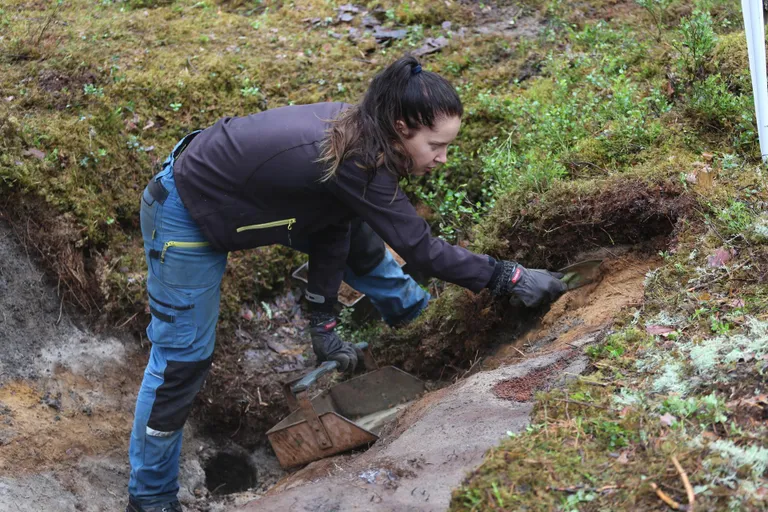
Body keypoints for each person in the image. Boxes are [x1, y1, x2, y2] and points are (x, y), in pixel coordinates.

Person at [126, 55, 566, 512]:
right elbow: (421, 250)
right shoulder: (357, 157)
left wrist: (323, 322)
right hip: (185, 211)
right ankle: (150, 497)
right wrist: (506, 275)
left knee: (361, 243)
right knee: (181, 360)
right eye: (436, 144)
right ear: (402, 126)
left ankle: (421, 329)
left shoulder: (365, 137)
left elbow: (333, 226)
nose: (442, 158)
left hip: (240, 198)